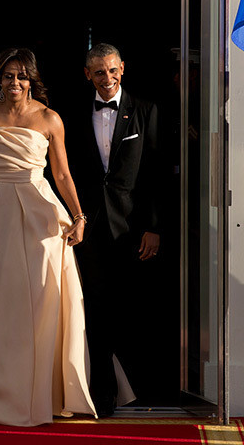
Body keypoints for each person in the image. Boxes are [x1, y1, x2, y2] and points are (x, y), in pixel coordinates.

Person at [0, 48, 95, 426]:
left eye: (22, 76)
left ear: (32, 80)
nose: (14, 83)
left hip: (39, 214)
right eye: (8, 76)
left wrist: (78, 216)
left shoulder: (49, 118)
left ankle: (44, 391)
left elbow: (61, 175)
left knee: (43, 301)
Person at [66, 42, 160, 418]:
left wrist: (153, 227)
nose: (108, 79)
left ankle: (144, 389)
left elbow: (153, 173)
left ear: (123, 69)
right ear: (87, 74)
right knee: (96, 309)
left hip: (133, 229)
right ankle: (103, 394)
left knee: (134, 307)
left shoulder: (146, 110)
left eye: (113, 70)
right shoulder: (71, 114)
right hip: (87, 227)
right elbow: (63, 171)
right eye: (99, 72)